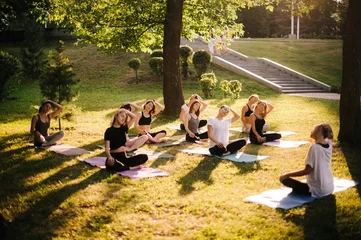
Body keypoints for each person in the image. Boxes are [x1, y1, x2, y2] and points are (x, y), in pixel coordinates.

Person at [280, 123, 334, 197]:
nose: (311, 130)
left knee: (283, 179)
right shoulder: (329, 144)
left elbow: (307, 170)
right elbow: (329, 137)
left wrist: (287, 174)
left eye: (314, 128)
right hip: (330, 187)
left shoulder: (314, 148)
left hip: (319, 190)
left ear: (320, 130)